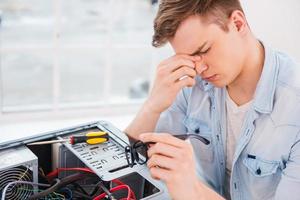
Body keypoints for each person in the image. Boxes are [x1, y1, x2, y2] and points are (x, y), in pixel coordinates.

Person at [124, 0, 300, 199]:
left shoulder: (294, 106)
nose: (199, 69)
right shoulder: (194, 85)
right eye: (189, 58)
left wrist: (193, 189)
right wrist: (152, 107)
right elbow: (133, 164)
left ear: (238, 24)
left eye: (204, 50)